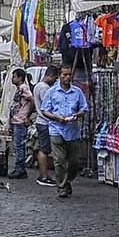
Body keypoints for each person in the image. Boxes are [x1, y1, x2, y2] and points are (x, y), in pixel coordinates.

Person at [39, 64, 91, 198]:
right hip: (56, 129)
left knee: (73, 162)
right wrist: (56, 117)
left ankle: (67, 181)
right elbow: (45, 110)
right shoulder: (51, 92)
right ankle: (61, 187)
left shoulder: (77, 92)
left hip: (72, 130)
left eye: (69, 75)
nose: (67, 77)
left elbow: (84, 108)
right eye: (64, 74)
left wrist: (77, 115)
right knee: (59, 160)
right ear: (59, 76)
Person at [6, 69, 38, 179]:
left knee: (19, 146)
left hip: (20, 121)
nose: (12, 79)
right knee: (18, 145)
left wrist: (27, 116)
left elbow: (33, 100)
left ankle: (20, 169)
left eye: (14, 76)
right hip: (16, 120)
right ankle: (19, 168)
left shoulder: (24, 88)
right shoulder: (19, 89)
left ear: (20, 78)